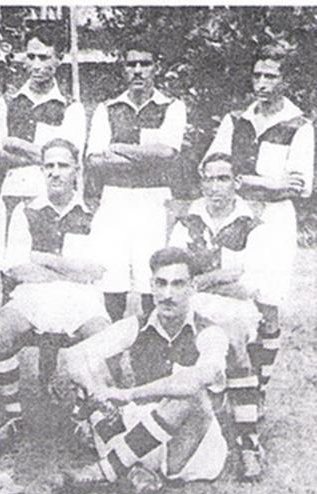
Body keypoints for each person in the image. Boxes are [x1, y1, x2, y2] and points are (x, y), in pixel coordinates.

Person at [55, 248, 229, 494]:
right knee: (92, 370)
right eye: (161, 283)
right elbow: (71, 356)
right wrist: (97, 392)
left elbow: (195, 382)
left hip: (188, 447)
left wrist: (128, 394)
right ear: (152, 286)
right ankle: (135, 473)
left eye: (178, 284)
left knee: (191, 394)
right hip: (140, 432)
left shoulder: (210, 333)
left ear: (193, 287)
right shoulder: (136, 325)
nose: (168, 294)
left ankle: (103, 471)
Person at [203, 43, 313, 438]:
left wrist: (244, 179)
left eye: (271, 76)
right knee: (231, 294)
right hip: (236, 216)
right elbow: (211, 165)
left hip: (275, 222)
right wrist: (263, 182)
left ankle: (258, 389)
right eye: (257, 75)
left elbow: (297, 186)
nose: (262, 83)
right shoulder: (236, 120)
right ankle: (226, 383)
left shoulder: (299, 125)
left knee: (267, 305)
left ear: (285, 80)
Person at [0, 139, 109, 449]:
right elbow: (17, 268)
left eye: (63, 165)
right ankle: (12, 416)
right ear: (42, 170)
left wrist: (44, 259)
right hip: (33, 295)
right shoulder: (26, 211)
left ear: (76, 170)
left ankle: (82, 418)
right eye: (49, 166)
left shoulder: (95, 212)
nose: (55, 172)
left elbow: (95, 270)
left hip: (81, 298)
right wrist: (69, 268)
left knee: (101, 335)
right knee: (0, 331)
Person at [168, 153, 273, 480]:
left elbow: (250, 287)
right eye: (209, 179)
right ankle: (181, 424)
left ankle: (247, 441)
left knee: (233, 333)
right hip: (194, 304)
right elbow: (173, 274)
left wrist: (205, 278)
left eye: (223, 179)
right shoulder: (187, 222)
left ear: (237, 182)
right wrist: (224, 274)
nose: (215, 187)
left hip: (236, 308)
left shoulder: (253, 224)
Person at [85, 41, 187, 322]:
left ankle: (152, 341)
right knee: (111, 277)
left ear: (156, 68)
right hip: (114, 197)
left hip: (155, 199)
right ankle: (113, 340)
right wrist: (145, 156)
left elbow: (167, 153)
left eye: (145, 64)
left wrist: (119, 148)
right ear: (124, 69)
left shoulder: (172, 106)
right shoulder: (108, 108)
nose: (138, 70)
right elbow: (95, 159)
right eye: (132, 64)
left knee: (151, 276)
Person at [0, 26, 86, 300]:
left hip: (53, 200)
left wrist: (16, 143)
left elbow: (68, 157)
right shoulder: (8, 102)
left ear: (58, 59)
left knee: (50, 273)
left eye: (44, 57)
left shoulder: (71, 107)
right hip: (13, 195)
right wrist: (42, 155)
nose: (37, 64)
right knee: (10, 273)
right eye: (31, 57)